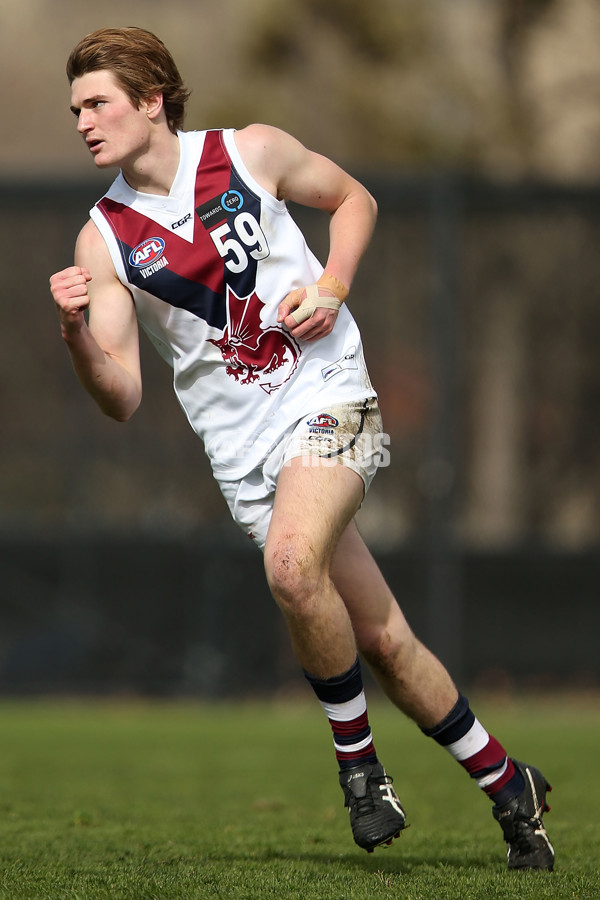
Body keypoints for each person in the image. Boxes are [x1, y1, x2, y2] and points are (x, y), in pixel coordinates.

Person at [50, 26, 554, 870]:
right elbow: (124, 397)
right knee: (385, 640)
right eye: (74, 109)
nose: (83, 122)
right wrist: (75, 338)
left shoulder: (251, 151)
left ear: (151, 99)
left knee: (290, 565)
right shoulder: (102, 240)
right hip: (245, 456)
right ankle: (510, 785)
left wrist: (332, 286)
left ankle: (358, 767)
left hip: (333, 397)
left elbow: (355, 198)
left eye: (98, 103)